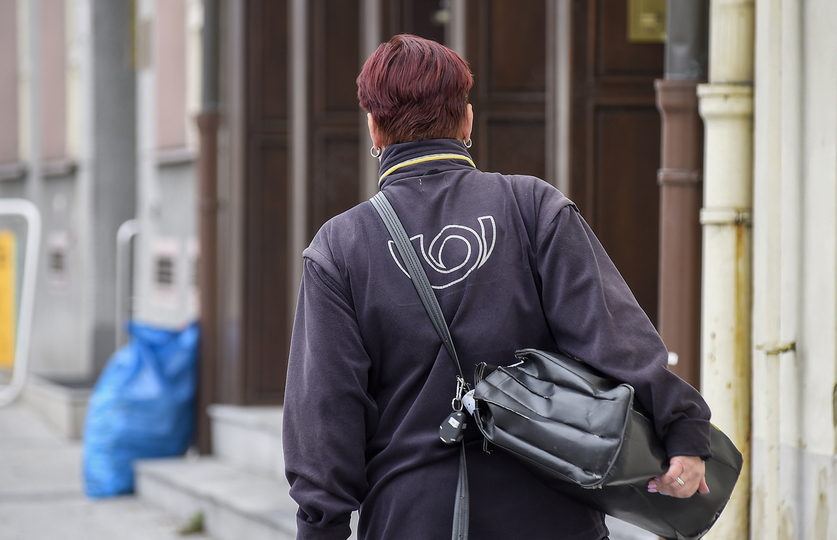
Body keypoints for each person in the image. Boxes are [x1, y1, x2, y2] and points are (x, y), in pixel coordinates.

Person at [282, 34, 712, 540]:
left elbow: (324, 413)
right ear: (466, 120)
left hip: (412, 518)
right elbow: (614, 337)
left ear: (374, 130)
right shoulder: (533, 207)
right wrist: (682, 428)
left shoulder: (340, 247)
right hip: (551, 517)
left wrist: (322, 526)